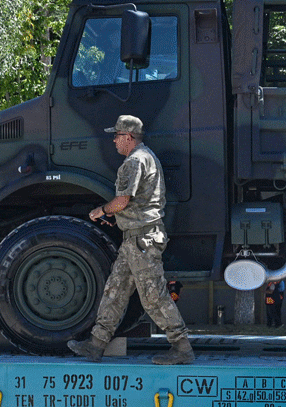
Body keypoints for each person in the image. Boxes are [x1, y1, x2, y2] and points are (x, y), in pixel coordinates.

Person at [68, 115, 194, 365]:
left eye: (117, 135)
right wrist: (120, 219)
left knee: (153, 295)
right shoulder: (147, 157)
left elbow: (122, 201)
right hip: (135, 239)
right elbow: (136, 203)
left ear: (128, 137)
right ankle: (96, 344)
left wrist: (101, 211)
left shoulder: (134, 161)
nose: (114, 140)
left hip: (142, 240)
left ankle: (182, 347)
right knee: (115, 291)